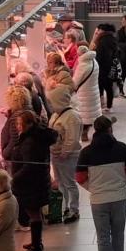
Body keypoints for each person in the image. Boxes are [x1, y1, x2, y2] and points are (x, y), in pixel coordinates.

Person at [75, 116, 126, 251]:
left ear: (95, 130)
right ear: (110, 130)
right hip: (118, 198)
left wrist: (92, 188)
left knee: (103, 237)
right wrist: (121, 183)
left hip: (98, 200)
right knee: (118, 233)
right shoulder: (121, 148)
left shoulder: (86, 152)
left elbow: (79, 177)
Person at [0, 86, 56, 251]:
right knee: (35, 212)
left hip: (31, 183)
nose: (17, 126)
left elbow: (28, 164)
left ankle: (36, 246)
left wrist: (13, 178)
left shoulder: (29, 141)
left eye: (19, 124)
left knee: (33, 213)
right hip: (37, 181)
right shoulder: (37, 134)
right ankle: (35, 242)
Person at [48, 86, 82, 223]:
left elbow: (72, 138)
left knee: (69, 183)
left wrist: (65, 152)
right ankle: (64, 207)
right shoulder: (57, 114)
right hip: (56, 154)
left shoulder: (72, 116)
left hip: (68, 156)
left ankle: (74, 210)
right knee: (60, 182)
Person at [71, 46, 103, 137]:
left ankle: (84, 133)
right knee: (92, 113)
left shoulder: (83, 65)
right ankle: (95, 131)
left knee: (85, 115)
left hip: (84, 93)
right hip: (93, 91)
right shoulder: (94, 61)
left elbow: (75, 82)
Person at [91, 25, 120, 112]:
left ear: (103, 31)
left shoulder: (103, 40)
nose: (98, 31)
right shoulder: (112, 39)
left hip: (103, 67)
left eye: (99, 30)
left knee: (102, 86)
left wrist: (97, 63)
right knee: (109, 86)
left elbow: (101, 55)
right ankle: (109, 105)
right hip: (111, 66)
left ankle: (104, 105)